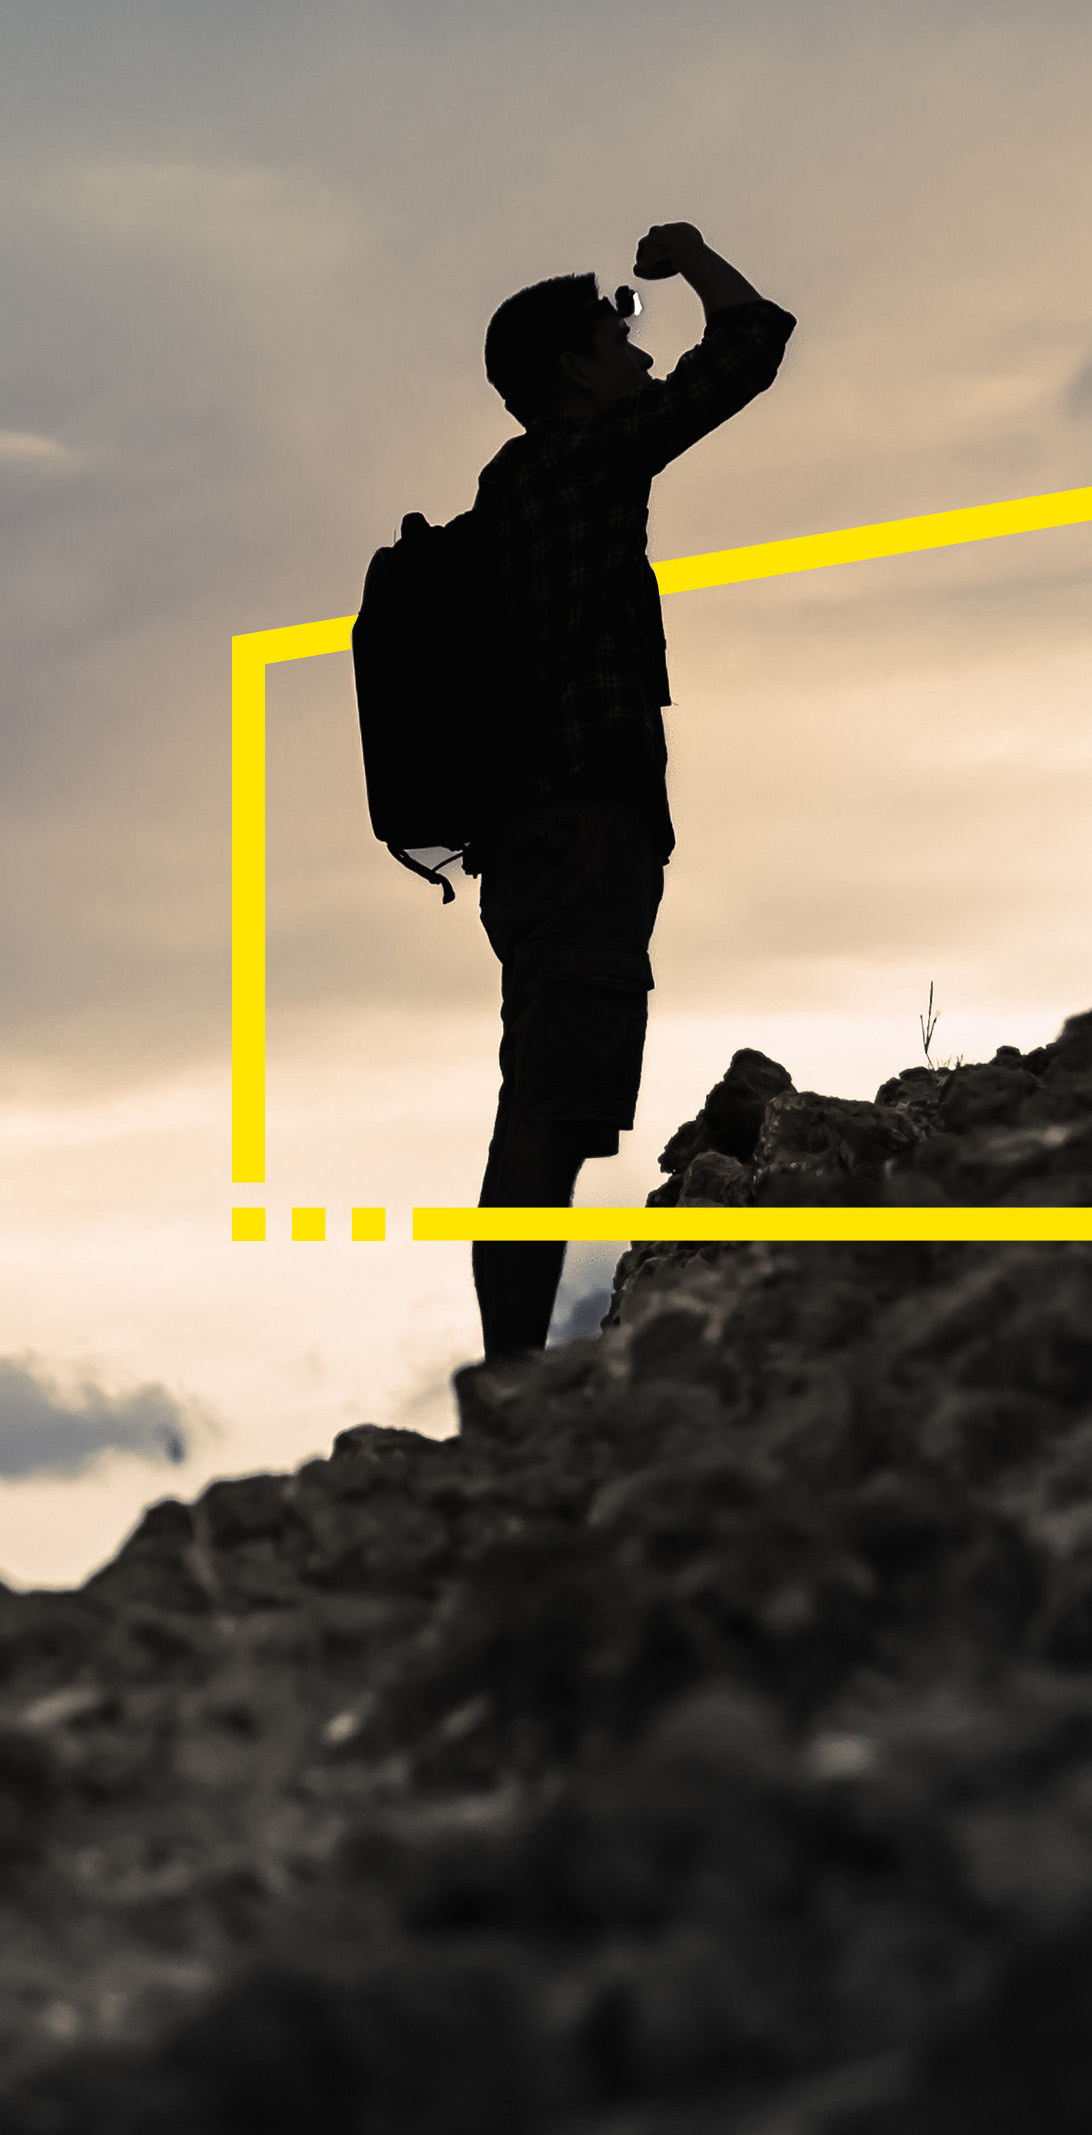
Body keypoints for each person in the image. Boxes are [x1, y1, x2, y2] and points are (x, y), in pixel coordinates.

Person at [462, 221, 794, 1359]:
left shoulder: (520, 488)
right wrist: (697, 256)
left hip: (542, 841)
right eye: (619, 335)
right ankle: (510, 1383)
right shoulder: (576, 463)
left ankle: (514, 1372)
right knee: (548, 1113)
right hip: (574, 832)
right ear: (571, 369)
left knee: (550, 1102)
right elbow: (748, 346)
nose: (640, 351)